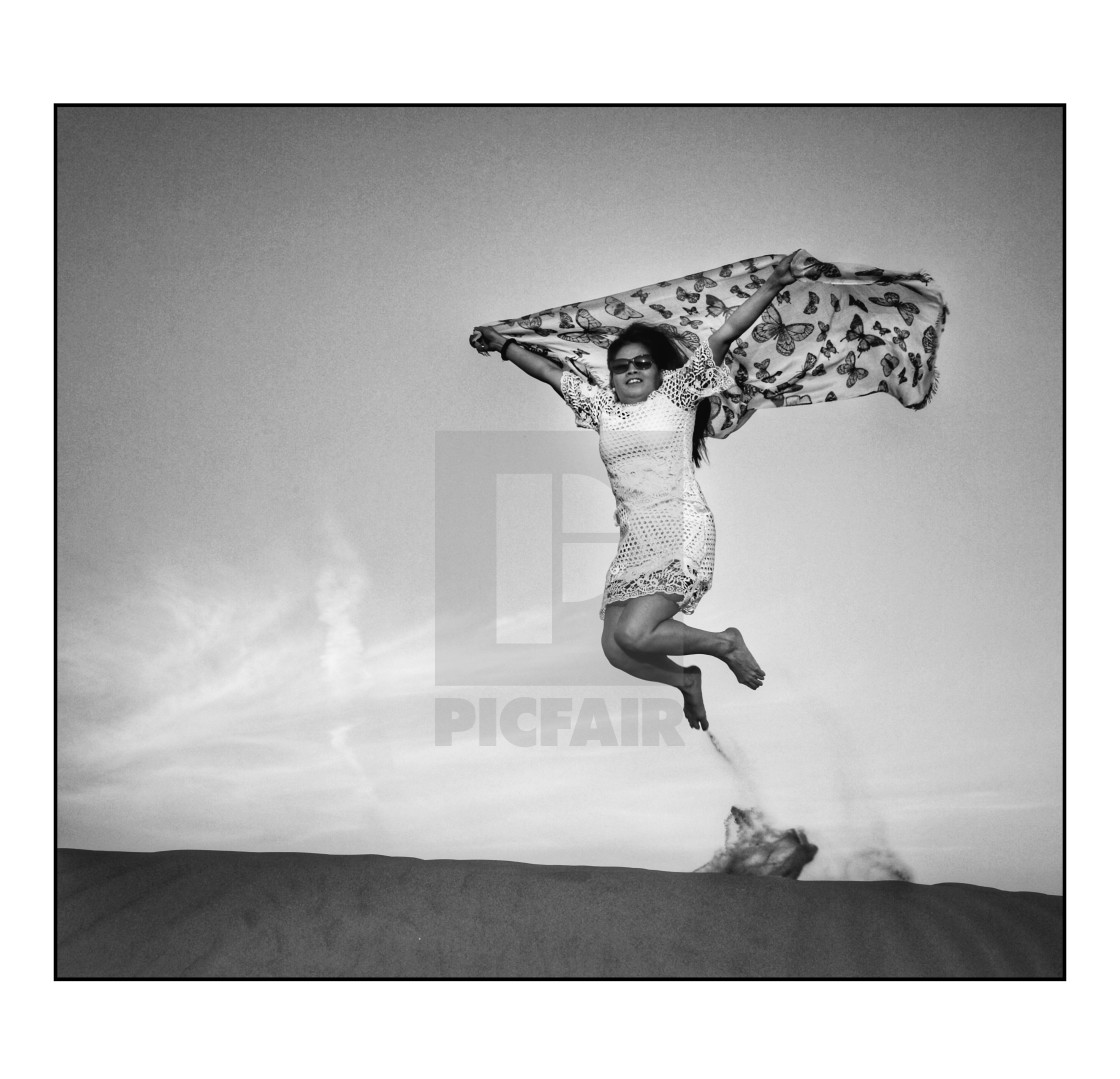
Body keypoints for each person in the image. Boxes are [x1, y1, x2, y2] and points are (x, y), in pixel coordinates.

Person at [476, 252, 805, 732]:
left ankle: (725, 643)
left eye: (641, 363)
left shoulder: (676, 395)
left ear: (657, 369)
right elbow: (549, 373)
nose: (631, 370)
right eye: (620, 366)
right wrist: (503, 345)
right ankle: (685, 682)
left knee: (636, 631)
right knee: (616, 649)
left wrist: (776, 281)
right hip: (634, 540)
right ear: (609, 374)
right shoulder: (602, 406)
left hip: (680, 525)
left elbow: (724, 334)